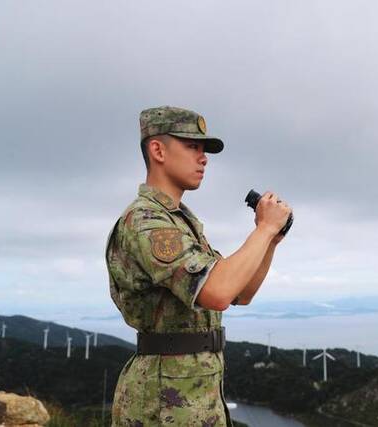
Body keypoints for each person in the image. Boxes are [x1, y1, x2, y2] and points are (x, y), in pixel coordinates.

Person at [105, 105, 291, 426]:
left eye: (204, 150)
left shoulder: (181, 223)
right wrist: (265, 229)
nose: (203, 157)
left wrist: (269, 241)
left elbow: (240, 293)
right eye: (192, 146)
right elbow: (217, 292)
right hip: (162, 403)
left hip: (193, 395)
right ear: (158, 150)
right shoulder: (147, 221)